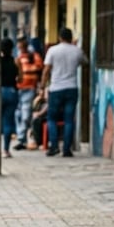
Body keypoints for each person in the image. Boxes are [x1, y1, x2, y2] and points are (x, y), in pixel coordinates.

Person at [41, 27, 88, 157]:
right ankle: (67, 149)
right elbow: (85, 62)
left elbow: (46, 70)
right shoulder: (77, 51)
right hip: (72, 88)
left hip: (56, 89)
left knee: (52, 118)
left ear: (60, 37)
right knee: (69, 119)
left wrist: (42, 87)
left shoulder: (53, 50)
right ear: (71, 37)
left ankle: (54, 146)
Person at [13, 36, 43, 150]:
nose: (20, 48)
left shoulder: (34, 56)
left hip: (30, 88)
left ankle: (22, 139)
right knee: (19, 114)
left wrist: (24, 69)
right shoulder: (19, 57)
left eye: (21, 46)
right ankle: (23, 138)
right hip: (19, 89)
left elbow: (39, 68)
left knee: (26, 114)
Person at [0, 38, 21, 158]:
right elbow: (21, 79)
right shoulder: (16, 61)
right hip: (12, 92)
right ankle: (6, 150)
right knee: (8, 121)